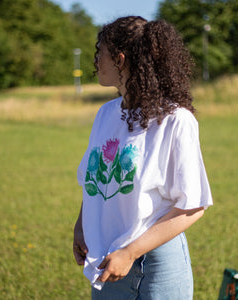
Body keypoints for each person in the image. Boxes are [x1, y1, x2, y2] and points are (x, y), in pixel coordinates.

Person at [73, 16, 213, 300]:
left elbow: (192, 206)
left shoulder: (176, 120)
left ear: (120, 59)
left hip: (154, 266)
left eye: (100, 52)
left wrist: (130, 253)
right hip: (109, 262)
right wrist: (81, 225)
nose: (96, 61)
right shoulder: (105, 114)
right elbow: (96, 177)